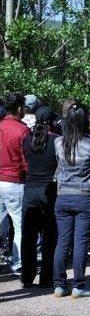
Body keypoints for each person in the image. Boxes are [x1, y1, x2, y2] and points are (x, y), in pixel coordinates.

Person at [52, 102, 90, 298]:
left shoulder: (58, 143)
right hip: (85, 196)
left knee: (62, 241)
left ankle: (59, 284)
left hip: (63, 195)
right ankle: (79, 285)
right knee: (81, 241)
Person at [20, 106, 59, 288]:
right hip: (49, 190)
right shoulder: (56, 141)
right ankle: (46, 276)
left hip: (30, 190)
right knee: (49, 237)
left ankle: (27, 276)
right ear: (52, 121)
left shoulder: (27, 139)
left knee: (28, 236)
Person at [0, 93, 29, 276]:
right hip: (14, 181)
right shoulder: (23, 130)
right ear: (19, 108)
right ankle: (18, 263)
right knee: (19, 225)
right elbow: (27, 160)